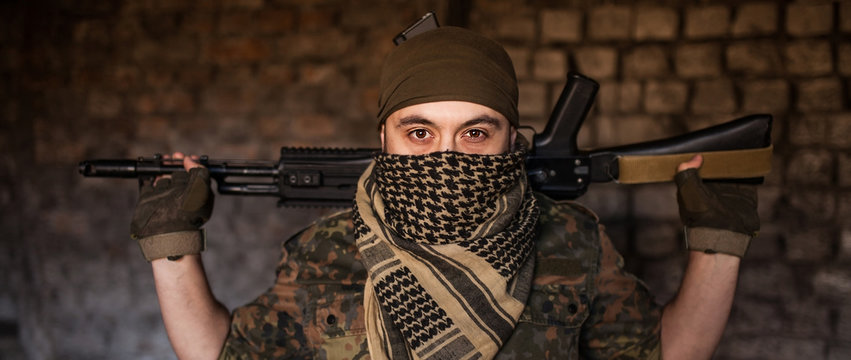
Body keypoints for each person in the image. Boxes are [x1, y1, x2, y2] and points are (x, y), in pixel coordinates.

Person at [130, 26, 759, 360]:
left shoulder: (572, 240)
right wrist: (171, 243)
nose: (446, 157)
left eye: (476, 132)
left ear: (514, 140)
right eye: (419, 131)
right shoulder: (324, 250)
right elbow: (222, 355)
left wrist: (718, 243)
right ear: (385, 136)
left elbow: (665, 354)